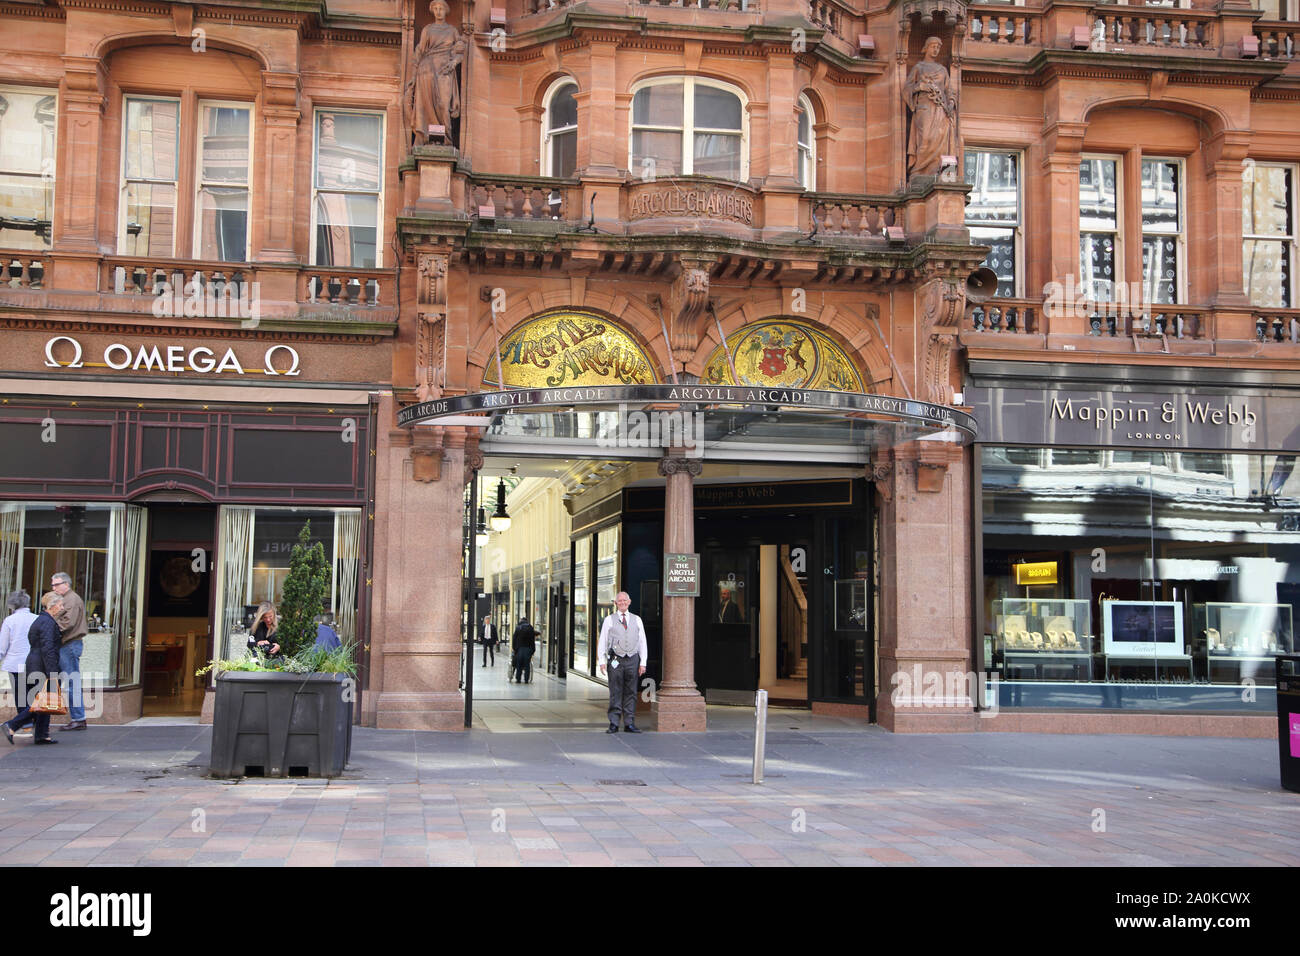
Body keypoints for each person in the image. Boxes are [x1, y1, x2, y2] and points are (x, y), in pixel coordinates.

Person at [3, 591, 65, 746]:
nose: (62, 607)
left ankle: (42, 734)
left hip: (33, 664)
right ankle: (12, 725)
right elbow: (47, 648)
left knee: (43, 701)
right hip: (41, 667)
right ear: (52, 606)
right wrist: (52, 673)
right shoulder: (45, 622)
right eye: (60, 604)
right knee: (41, 702)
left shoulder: (42, 620)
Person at [903, 36, 957, 178]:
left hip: (940, 109)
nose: (936, 50)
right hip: (924, 108)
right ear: (926, 48)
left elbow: (949, 90)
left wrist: (951, 103)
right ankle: (919, 171)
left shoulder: (942, 70)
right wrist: (921, 86)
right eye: (933, 46)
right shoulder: (918, 68)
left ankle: (944, 174)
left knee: (941, 140)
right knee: (925, 138)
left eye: (938, 47)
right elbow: (907, 89)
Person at [597, 591, 647, 734]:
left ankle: (629, 723)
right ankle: (613, 723)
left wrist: (643, 662)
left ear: (629, 602)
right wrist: (601, 661)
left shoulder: (637, 619)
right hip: (615, 660)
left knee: (631, 692)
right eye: (620, 601)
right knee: (615, 691)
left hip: (632, 659)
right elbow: (603, 642)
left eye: (625, 600)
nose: (622, 602)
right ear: (616, 603)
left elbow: (642, 642)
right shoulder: (609, 620)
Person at [50, 572, 88, 732]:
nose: (54, 588)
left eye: (56, 584)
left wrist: (48, 630)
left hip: (69, 644)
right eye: (52, 585)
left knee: (72, 681)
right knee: (60, 680)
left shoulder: (71, 600)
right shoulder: (66, 599)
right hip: (67, 644)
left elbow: (67, 624)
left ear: (66, 584)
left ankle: (78, 718)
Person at [1, 590, 36, 718]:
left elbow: (2, 647)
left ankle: (24, 724)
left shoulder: (9, 620)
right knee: (34, 695)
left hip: (15, 664)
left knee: (21, 697)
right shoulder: (36, 618)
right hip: (34, 663)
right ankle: (37, 723)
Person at [511, 616, 537, 684]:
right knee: (527, 664)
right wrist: (533, 650)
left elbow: (514, 639)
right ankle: (526, 679)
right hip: (528, 649)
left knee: (519, 664)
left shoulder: (518, 628)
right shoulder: (530, 628)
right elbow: (532, 640)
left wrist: (514, 649)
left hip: (519, 649)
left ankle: (518, 679)